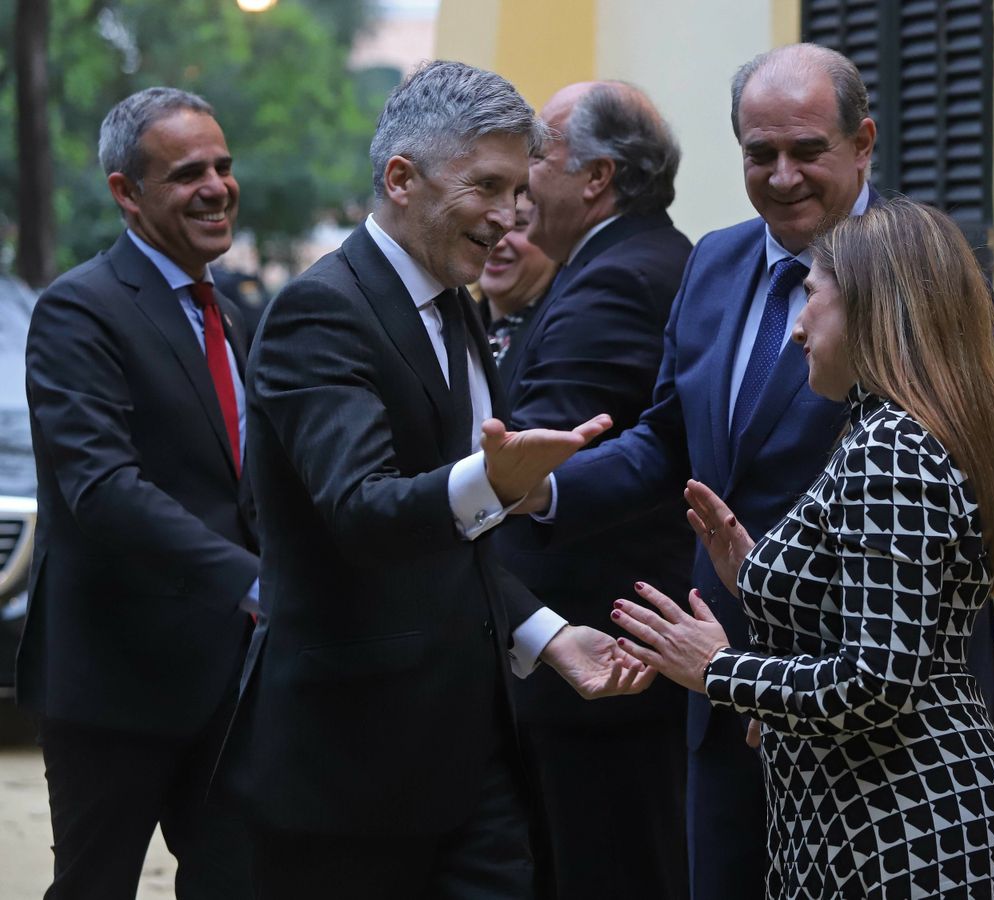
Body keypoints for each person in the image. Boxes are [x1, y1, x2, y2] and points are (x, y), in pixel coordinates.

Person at [522, 44, 994, 899]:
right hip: (728, 708)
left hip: (870, 729)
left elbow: (948, 469)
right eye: (759, 154)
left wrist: (745, 670)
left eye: (806, 151)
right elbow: (667, 441)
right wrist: (544, 489)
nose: (781, 176)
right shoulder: (714, 261)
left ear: (863, 143)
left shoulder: (924, 273)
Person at [220, 61, 651, 900]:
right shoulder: (321, 310)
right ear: (401, 179)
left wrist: (550, 638)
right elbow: (360, 509)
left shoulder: (451, 298)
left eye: (518, 190)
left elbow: (456, 544)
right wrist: (492, 481)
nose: (508, 218)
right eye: (486, 187)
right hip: (351, 768)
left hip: (470, 759)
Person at [613, 198, 994, 899]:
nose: (797, 327)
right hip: (879, 816)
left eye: (811, 299)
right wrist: (757, 578)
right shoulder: (883, 433)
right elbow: (875, 615)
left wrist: (718, 670)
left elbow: (875, 682)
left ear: (871, 310)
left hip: (897, 828)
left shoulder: (889, 448)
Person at [19, 87, 256, 898]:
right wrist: (255, 580)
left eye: (223, 166)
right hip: (115, 681)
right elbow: (104, 489)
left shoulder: (239, 315)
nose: (218, 186)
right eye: (189, 173)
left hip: (232, 676)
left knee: (240, 881)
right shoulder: (79, 310)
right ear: (127, 192)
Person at [493, 80, 694, 900]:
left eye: (538, 157)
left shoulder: (614, 282)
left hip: (599, 673)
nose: (519, 182)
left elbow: (541, 463)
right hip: (604, 670)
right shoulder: (620, 264)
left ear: (598, 179)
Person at [478, 194, 557, 369]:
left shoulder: (560, 338)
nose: (497, 243)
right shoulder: (448, 325)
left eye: (518, 224)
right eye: (490, 222)